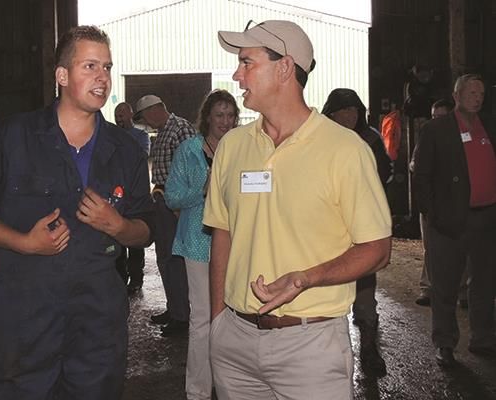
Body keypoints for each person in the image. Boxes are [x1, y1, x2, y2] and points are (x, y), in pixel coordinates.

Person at [0, 25, 154, 399]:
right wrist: (23, 243)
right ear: (62, 75)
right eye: (90, 66)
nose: (102, 78)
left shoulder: (125, 151)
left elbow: (147, 229)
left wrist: (119, 225)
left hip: (96, 327)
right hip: (22, 324)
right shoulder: (13, 138)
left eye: (107, 68)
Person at [203, 20, 392, 399]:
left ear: (285, 67)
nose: (236, 75)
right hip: (235, 343)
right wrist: (218, 322)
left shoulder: (345, 150)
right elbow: (222, 232)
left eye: (247, 63)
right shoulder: (233, 146)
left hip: (310, 346)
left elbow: (377, 249)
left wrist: (304, 278)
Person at [413, 74, 496, 367]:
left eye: (481, 92)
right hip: (449, 221)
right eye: (472, 91)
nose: (478, 97)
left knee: (484, 284)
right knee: (445, 285)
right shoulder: (438, 129)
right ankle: (445, 343)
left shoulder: (489, 127)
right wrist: (432, 213)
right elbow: (421, 175)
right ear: (457, 95)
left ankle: (483, 339)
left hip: (486, 220)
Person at [165, 89, 239, 399]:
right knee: (202, 319)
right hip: (198, 242)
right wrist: (202, 188)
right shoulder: (189, 150)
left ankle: (230, 387)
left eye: (230, 115)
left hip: (237, 243)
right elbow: (172, 197)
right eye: (219, 114)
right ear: (207, 116)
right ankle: (197, 391)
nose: (225, 121)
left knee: (233, 317)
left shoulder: (242, 147)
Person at [322, 88, 391, 376]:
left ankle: (368, 348)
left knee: (364, 290)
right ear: (332, 113)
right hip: (327, 228)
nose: (350, 116)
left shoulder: (371, 139)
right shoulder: (319, 140)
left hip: (361, 228)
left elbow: (384, 172)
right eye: (344, 110)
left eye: (354, 110)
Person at [134, 94, 196, 336]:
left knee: (175, 260)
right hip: (163, 200)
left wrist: (182, 206)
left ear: (155, 109)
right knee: (165, 258)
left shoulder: (180, 128)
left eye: (145, 116)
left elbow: (192, 167)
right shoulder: (162, 133)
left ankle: (182, 316)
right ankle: (175, 308)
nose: (145, 122)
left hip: (175, 204)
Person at [412, 98, 469, 307]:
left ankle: (462, 291)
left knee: (462, 247)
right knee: (431, 248)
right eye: (434, 117)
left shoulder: (462, 138)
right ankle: (428, 288)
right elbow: (415, 167)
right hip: (433, 202)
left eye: (442, 117)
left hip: (456, 202)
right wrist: (426, 205)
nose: (437, 121)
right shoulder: (427, 137)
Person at [114, 102, 149, 292]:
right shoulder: (111, 136)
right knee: (117, 238)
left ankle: (136, 279)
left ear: (130, 115)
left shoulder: (141, 136)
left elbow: (142, 156)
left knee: (135, 239)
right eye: (117, 116)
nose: (119, 119)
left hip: (135, 194)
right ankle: (120, 278)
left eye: (122, 115)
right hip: (116, 195)